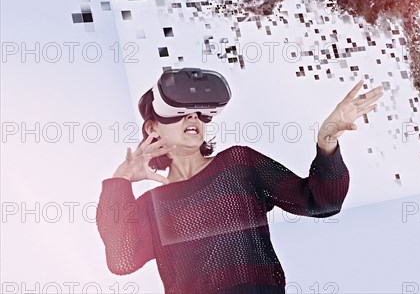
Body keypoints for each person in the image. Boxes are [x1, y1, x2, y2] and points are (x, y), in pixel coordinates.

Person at [96, 79, 384, 293]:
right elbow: (122, 260)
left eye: (198, 112)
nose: (192, 117)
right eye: (179, 111)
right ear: (152, 128)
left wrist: (327, 142)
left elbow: (323, 203)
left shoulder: (238, 164)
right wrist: (119, 183)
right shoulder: (151, 205)